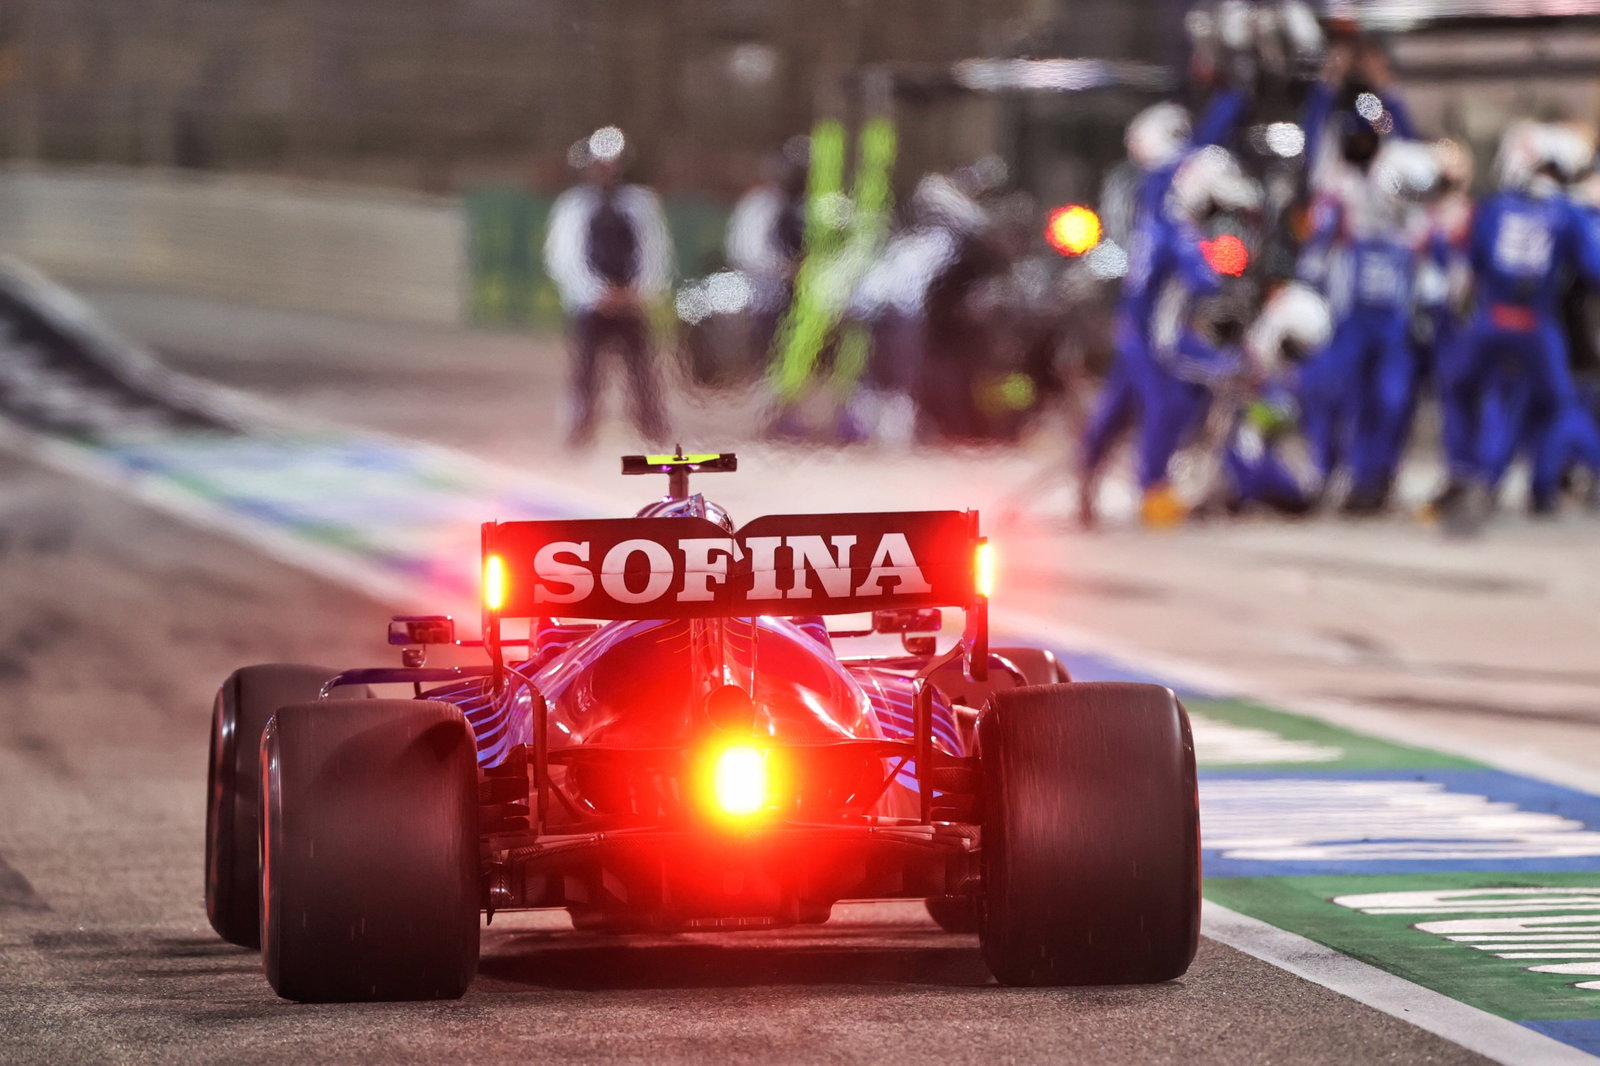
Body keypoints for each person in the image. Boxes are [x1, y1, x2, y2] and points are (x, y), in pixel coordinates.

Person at [1079, 141, 1259, 527]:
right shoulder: (1177, 234)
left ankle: (1095, 479)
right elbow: (1200, 281)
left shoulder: (1168, 224)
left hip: (1143, 332)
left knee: (1121, 409)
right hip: (1152, 338)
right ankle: (1152, 490)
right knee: (1167, 404)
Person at [1436, 121, 1600, 519]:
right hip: (1538, 325)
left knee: (1462, 391)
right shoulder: (1569, 212)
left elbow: (1467, 267)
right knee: (1556, 405)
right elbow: (1594, 267)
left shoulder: (1493, 207)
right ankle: (1542, 488)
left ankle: (1468, 473)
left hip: (1490, 319)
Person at [1295, 136, 1438, 513]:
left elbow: (1430, 280)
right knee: (1332, 397)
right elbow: (1312, 262)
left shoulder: (1418, 225)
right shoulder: (1343, 202)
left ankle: (1374, 480)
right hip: (1348, 325)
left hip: (1393, 330)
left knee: (1390, 403)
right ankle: (1324, 474)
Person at [544, 126, 675, 448]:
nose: (606, 170)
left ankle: (651, 428)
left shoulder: (641, 204)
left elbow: (655, 249)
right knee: (585, 372)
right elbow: (564, 256)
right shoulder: (573, 205)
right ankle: (580, 428)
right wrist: (594, 292)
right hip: (590, 304)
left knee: (643, 371)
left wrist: (639, 292)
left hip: (633, 301)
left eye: (612, 163)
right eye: (600, 164)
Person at [726, 136, 809, 365]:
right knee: (768, 354)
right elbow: (746, 252)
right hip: (765, 296)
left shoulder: (812, 206)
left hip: (807, 297)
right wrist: (786, 268)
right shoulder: (759, 205)